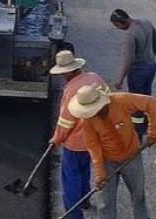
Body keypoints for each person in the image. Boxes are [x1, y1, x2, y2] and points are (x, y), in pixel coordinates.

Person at [68, 85, 156, 219]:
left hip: (132, 156)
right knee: (105, 203)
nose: (92, 114)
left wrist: (153, 133)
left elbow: (152, 103)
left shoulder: (121, 100)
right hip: (108, 161)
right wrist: (100, 173)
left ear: (101, 104)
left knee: (138, 197)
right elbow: (93, 146)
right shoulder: (87, 120)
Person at [48, 50, 110, 218]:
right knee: (85, 171)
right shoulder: (95, 78)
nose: (62, 76)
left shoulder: (71, 89)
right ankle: (84, 200)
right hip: (94, 140)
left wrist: (57, 138)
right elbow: (108, 98)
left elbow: (66, 120)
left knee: (70, 178)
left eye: (63, 73)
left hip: (75, 142)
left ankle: (72, 214)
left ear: (69, 71)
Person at [110, 8, 156, 141]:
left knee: (136, 102)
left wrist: (119, 80)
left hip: (138, 70)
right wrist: (151, 57)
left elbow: (128, 60)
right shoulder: (146, 23)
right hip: (151, 66)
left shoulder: (129, 36)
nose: (118, 29)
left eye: (117, 26)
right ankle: (147, 124)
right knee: (146, 97)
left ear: (119, 23)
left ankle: (137, 132)